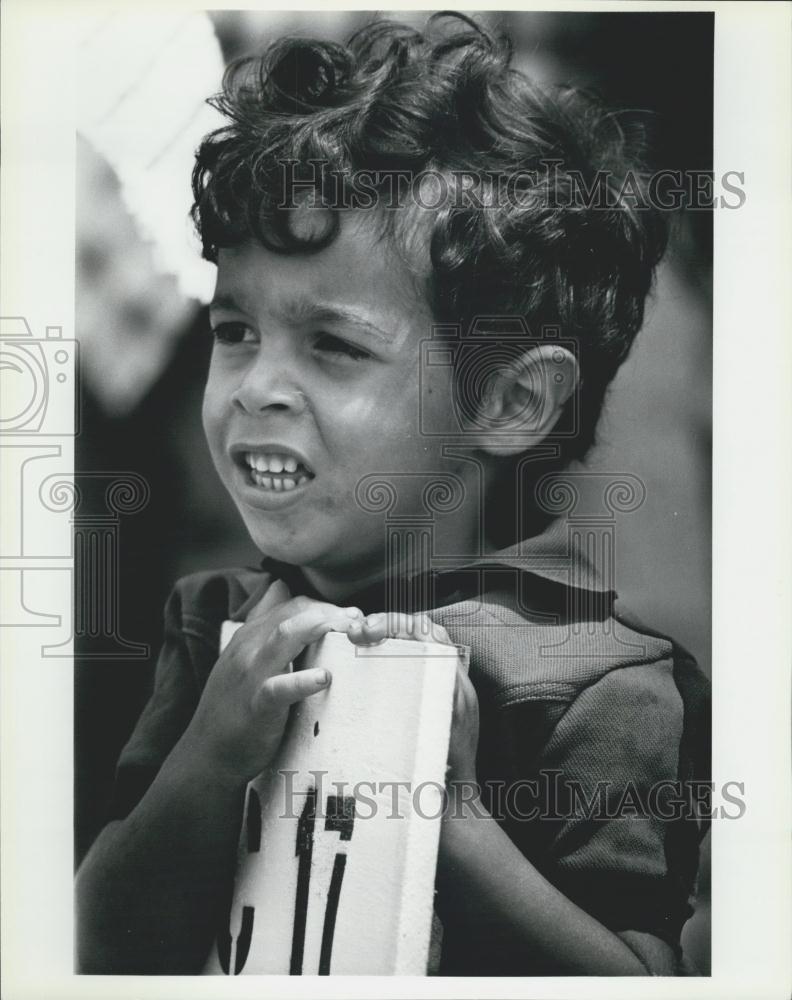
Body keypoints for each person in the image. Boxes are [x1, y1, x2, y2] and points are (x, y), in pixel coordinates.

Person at [76, 13, 710, 976]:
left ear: (509, 398)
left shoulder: (597, 682)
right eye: (236, 329)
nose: (254, 386)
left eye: (333, 345)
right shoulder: (220, 630)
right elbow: (92, 950)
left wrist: (446, 816)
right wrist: (209, 758)